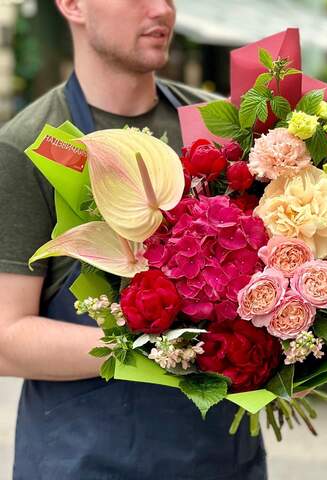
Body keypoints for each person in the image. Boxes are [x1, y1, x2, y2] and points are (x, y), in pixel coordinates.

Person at [0, 1, 267, 478]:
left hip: (220, 458)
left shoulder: (213, 127)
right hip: (87, 459)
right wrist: (161, 346)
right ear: (72, 5)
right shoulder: (29, 146)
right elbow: (6, 338)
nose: (161, 9)